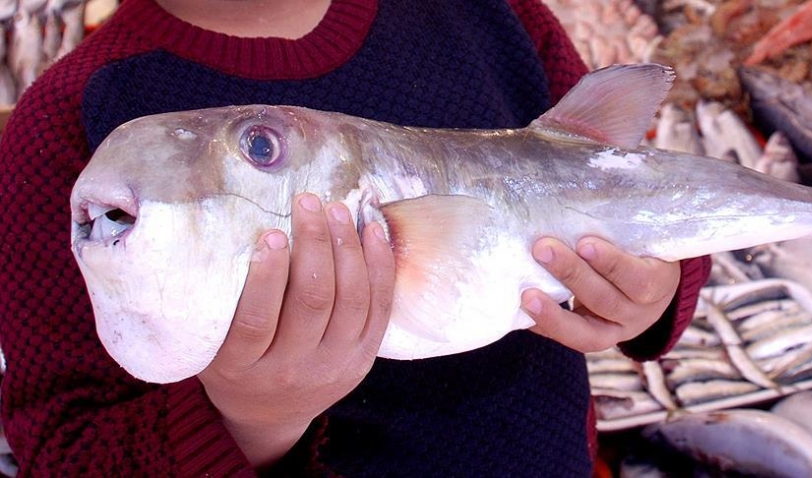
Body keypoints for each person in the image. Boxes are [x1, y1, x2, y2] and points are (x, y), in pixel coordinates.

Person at [0, 0, 711, 475]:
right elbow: (62, 445)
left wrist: (655, 291)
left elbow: (617, 180)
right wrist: (248, 419)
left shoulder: (497, 17)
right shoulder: (65, 120)